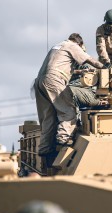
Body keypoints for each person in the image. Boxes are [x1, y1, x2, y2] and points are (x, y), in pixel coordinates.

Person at [34, 33, 103, 170]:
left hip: (40, 82)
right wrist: (106, 68)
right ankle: (63, 142)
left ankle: (45, 151)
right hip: (55, 80)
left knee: (49, 117)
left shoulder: (57, 46)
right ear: (80, 44)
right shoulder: (72, 46)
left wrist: (79, 72)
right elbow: (90, 59)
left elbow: (62, 67)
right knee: (68, 111)